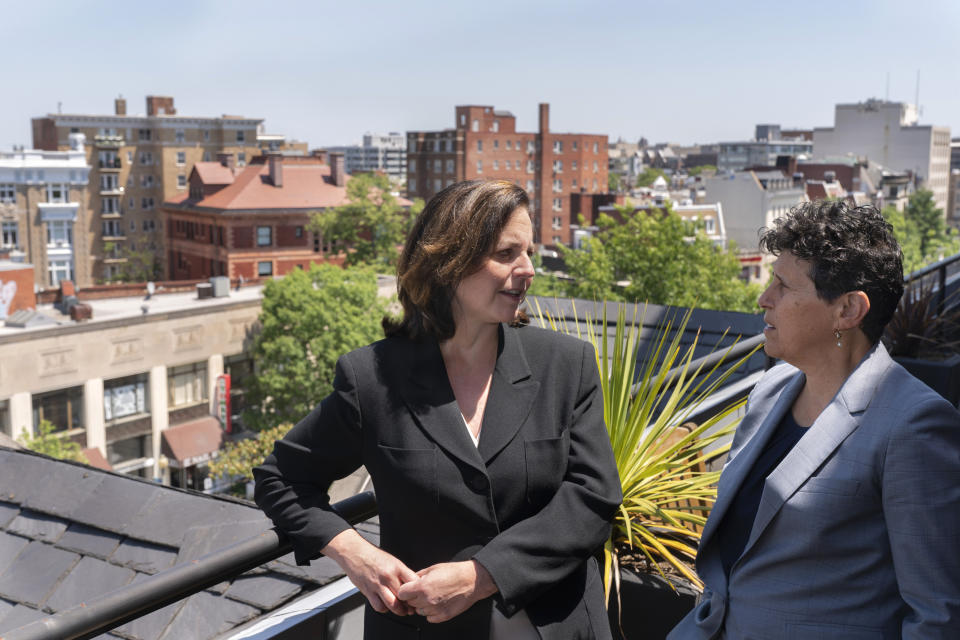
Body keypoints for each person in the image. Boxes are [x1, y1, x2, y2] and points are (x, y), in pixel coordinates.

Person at [254, 179, 622, 639]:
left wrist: (481, 575)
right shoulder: (372, 378)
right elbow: (282, 478)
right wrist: (356, 554)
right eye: (507, 254)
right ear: (450, 261)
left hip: (558, 627)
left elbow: (594, 497)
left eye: (529, 252)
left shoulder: (565, 364)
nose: (528, 269)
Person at [669, 200, 960, 639]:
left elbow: (939, 613)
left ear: (847, 310)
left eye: (783, 286)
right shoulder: (770, 391)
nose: (763, 298)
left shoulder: (913, 425)